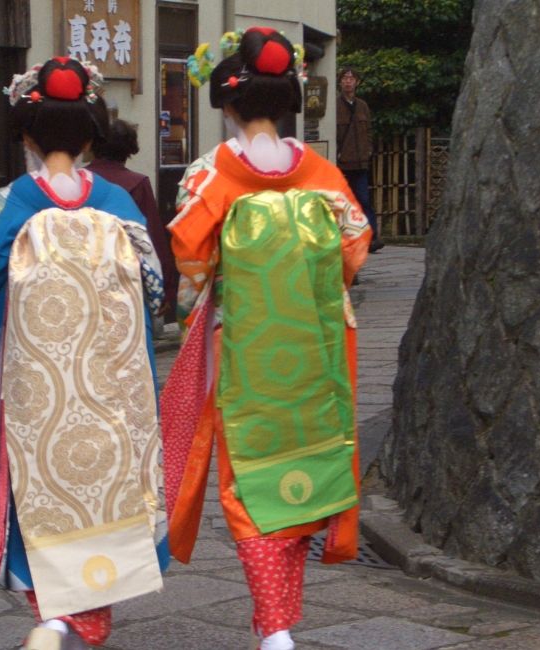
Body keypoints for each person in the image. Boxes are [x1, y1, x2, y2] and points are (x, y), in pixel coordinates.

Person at [161, 28, 371, 650]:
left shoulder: (209, 176)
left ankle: (275, 625)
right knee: (310, 460)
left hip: (245, 345)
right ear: (287, 102)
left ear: (226, 105)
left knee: (246, 474)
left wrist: (203, 303)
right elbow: (352, 251)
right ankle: (276, 619)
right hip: (319, 345)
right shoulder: (323, 173)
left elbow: (192, 264)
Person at [0, 57, 166, 650]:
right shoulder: (117, 202)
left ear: (26, 135)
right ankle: (76, 624)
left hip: (37, 388)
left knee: (41, 487)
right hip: (111, 382)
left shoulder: (12, 203)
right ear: (89, 135)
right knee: (109, 486)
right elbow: (153, 286)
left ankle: (53, 618)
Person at [87, 119, 178, 318]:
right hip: (126, 279)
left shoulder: (80, 181)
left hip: (84, 276)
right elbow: (153, 239)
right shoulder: (137, 184)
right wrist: (165, 289)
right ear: (129, 150)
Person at [336, 67, 384, 253]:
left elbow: (369, 131)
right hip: (343, 163)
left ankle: (372, 238)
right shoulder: (335, 106)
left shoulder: (363, 106)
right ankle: (350, 238)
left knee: (364, 201)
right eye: (345, 78)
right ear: (340, 82)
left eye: (352, 78)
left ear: (357, 82)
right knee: (345, 203)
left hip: (361, 162)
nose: (348, 81)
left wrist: (368, 150)